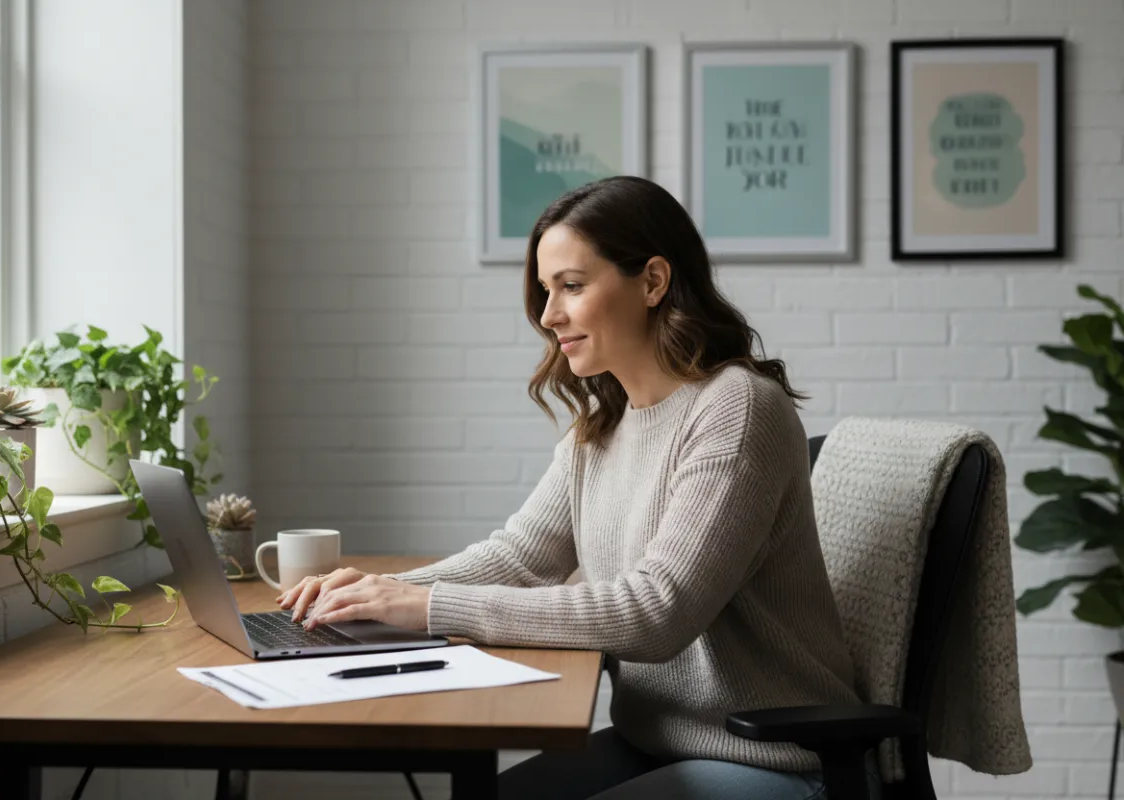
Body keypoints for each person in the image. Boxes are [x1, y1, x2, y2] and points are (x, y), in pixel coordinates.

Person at [275, 176, 880, 799]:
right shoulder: (603, 426)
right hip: (654, 744)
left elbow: (656, 612)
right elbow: (520, 557)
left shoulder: (737, 409)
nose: (547, 315)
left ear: (652, 282)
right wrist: (382, 595)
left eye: (571, 285)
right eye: (545, 290)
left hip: (779, 763)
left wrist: (426, 609)